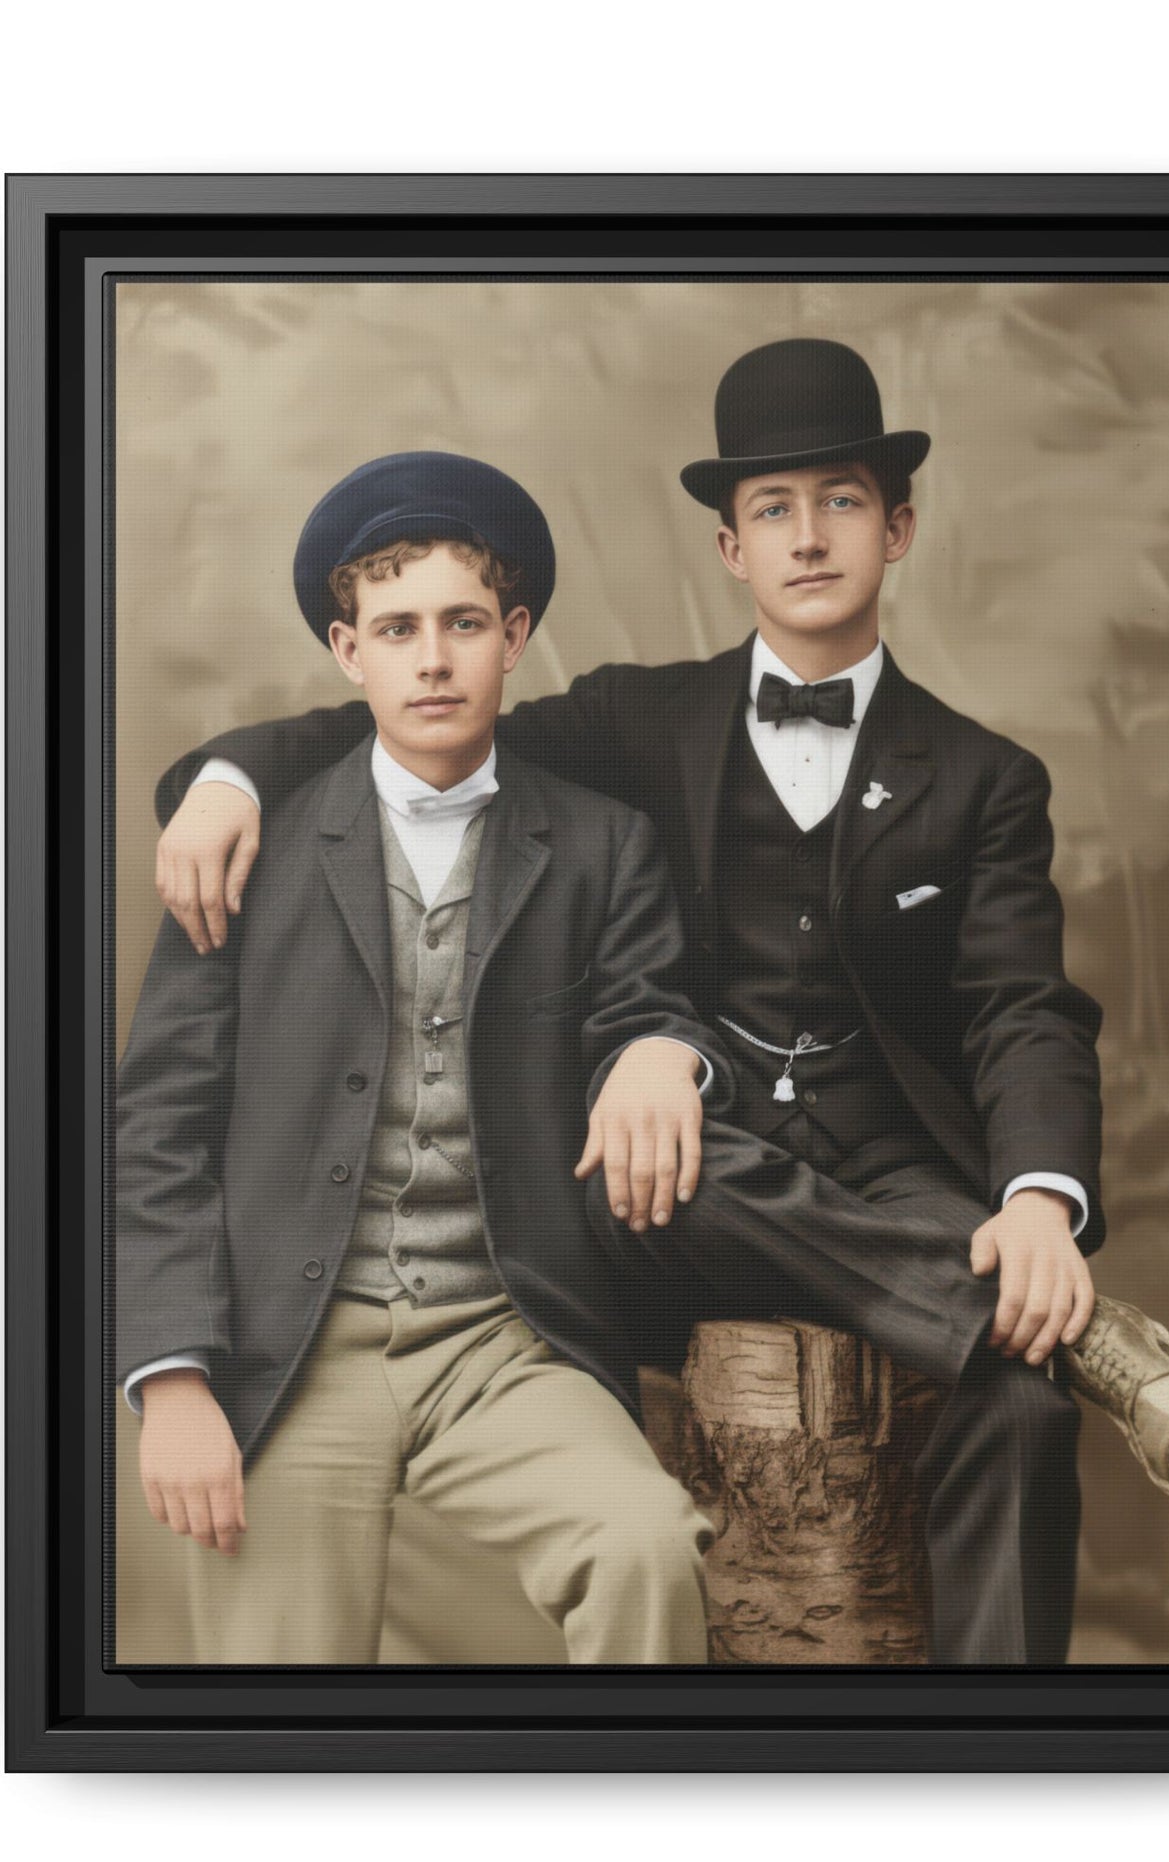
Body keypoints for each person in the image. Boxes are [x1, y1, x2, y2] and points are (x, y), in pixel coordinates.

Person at [149, 341, 1169, 1666]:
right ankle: (1070, 1334)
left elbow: (1021, 1009)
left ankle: (991, 1743)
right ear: (728, 547)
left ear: (898, 527)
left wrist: (1037, 1200)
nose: (806, 537)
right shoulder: (631, 720)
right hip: (687, 1165)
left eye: (841, 501)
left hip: (891, 1173)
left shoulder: (986, 777)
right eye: (772, 509)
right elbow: (416, 723)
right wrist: (228, 778)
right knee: (666, 1173)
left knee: (1025, 1407)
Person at [118, 451, 722, 1665]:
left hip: (504, 1333)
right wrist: (171, 1377)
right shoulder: (243, 848)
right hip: (291, 1341)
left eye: (462, 623)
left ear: (515, 635)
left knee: (645, 1541)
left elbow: (646, 1002)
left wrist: (665, 1048)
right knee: (274, 1675)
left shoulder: (601, 844)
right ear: (350, 653)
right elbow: (157, 1128)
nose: (433, 659)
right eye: (397, 629)